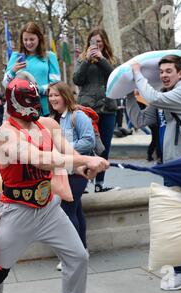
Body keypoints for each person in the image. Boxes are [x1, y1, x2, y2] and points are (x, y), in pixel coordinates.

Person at [0, 72, 109, 293]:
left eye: (36, 97)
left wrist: (82, 167)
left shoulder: (47, 125)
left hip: (49, 209)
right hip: (17, 211)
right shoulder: (5, 134)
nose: (36, 104)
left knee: (78, 257)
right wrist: (86, 160)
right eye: (30, 99)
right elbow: (41, 159)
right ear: (16, 102)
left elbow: (66, 154)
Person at [126, 55, 181, 291]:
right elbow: (139, 120)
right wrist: (127, 93)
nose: (164, 75)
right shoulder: (164, 98)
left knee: (175, 220)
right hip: (171, 166)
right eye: (161, 72)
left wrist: (137, 74)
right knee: (180, 218)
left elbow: (154, 96)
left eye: (169, 71)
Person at [48, 81, 95, 271]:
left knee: (68, 210)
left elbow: (89, 140)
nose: (52, 99)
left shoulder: (78, 115)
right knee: (76, 210)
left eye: (56, 95)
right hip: (61, 170)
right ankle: (82, 250)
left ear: (65, 95)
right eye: (50, 96)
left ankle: (73, 256)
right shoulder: (51, 118)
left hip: (77, 170)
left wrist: (65, 151)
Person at [73, 28, 120, 193]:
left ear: (104, 42)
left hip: (107, 107)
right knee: (86, 146)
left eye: (99, 41)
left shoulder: (112, 60)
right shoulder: (81, 59)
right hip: (87, 109)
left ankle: (100, 183)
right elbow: (77, 80)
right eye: (93, 42)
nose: (96, 45)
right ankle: (83, 184)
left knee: (104, 147)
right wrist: (86, 61)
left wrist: (102, 60)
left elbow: (117, 77)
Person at [2, 22, 60, 117]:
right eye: (25, 40)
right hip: (21, 110)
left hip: (45, 110)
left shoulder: (50, 56)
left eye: (32, 39)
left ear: (39, 38)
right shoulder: (15, 56)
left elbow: (56, 85)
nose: (28, 43)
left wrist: (36, 89)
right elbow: (5, 84)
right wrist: (13, 71)